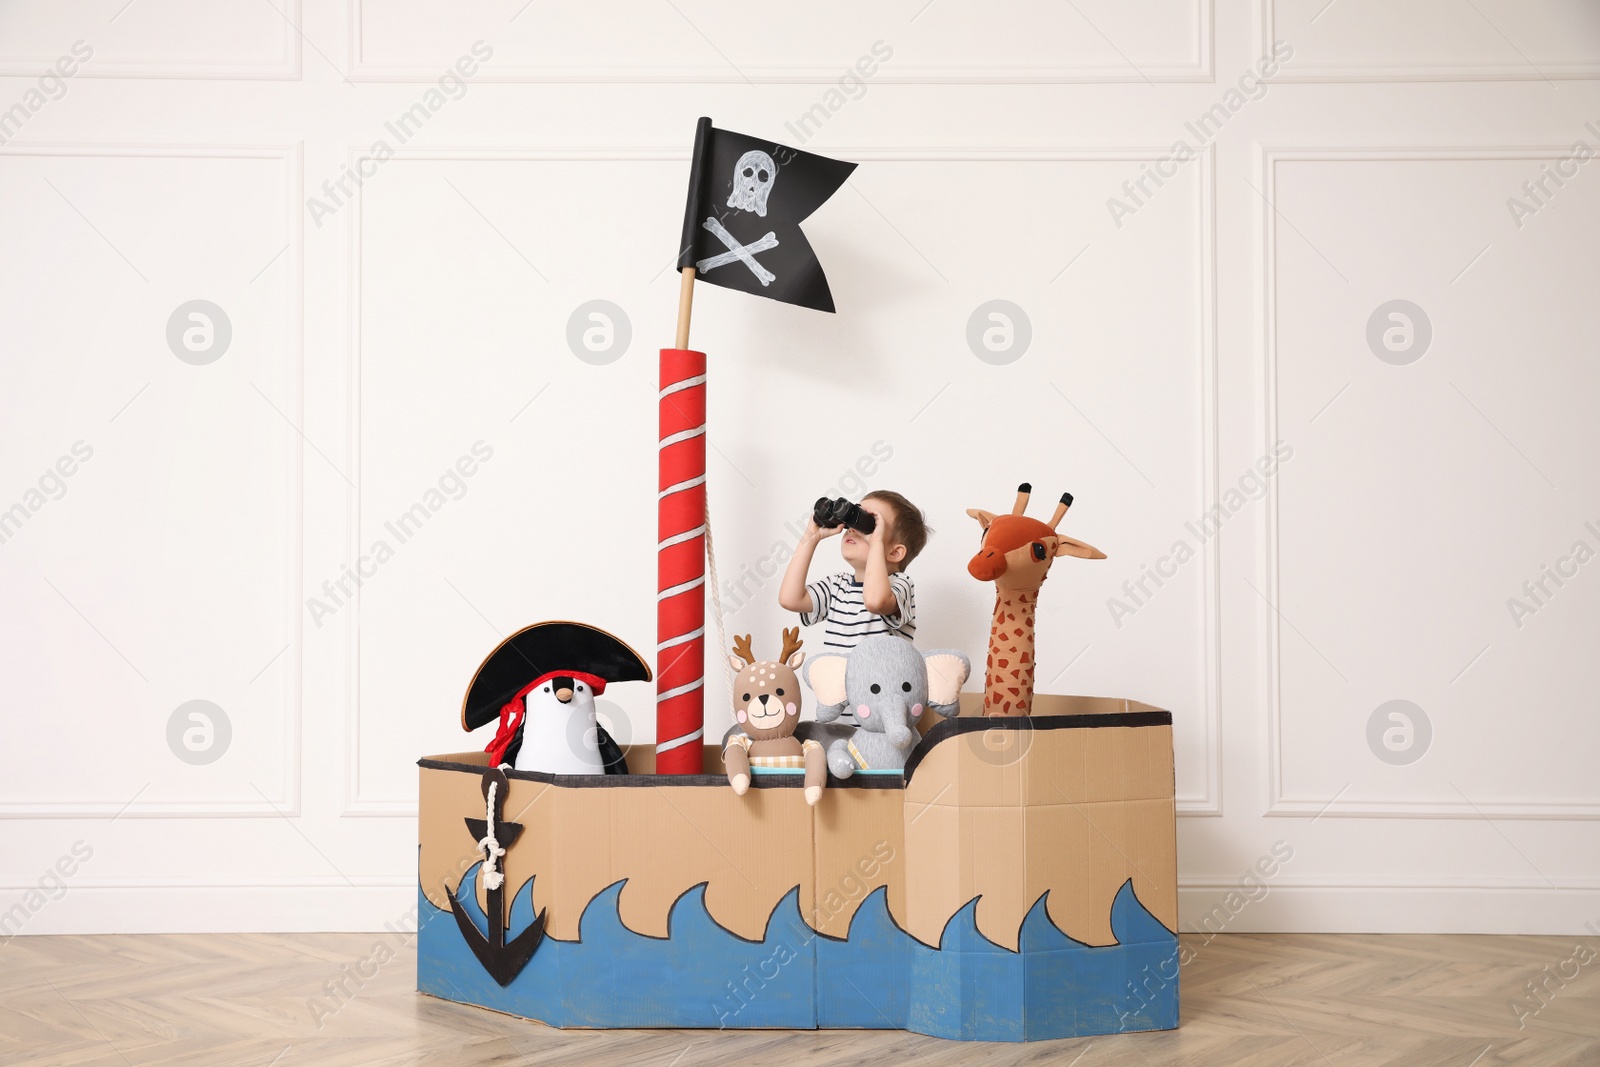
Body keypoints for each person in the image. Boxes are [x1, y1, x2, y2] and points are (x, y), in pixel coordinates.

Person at [778, 490, 929, 660]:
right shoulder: (837, 585)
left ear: (894, 553)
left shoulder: (900, 585)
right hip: (838, 684)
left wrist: (875, 541)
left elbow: (875, 601)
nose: (853, 529)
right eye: (854, 518)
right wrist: (810, 537)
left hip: (882, 685)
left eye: (869, 525)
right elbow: (790, 599)